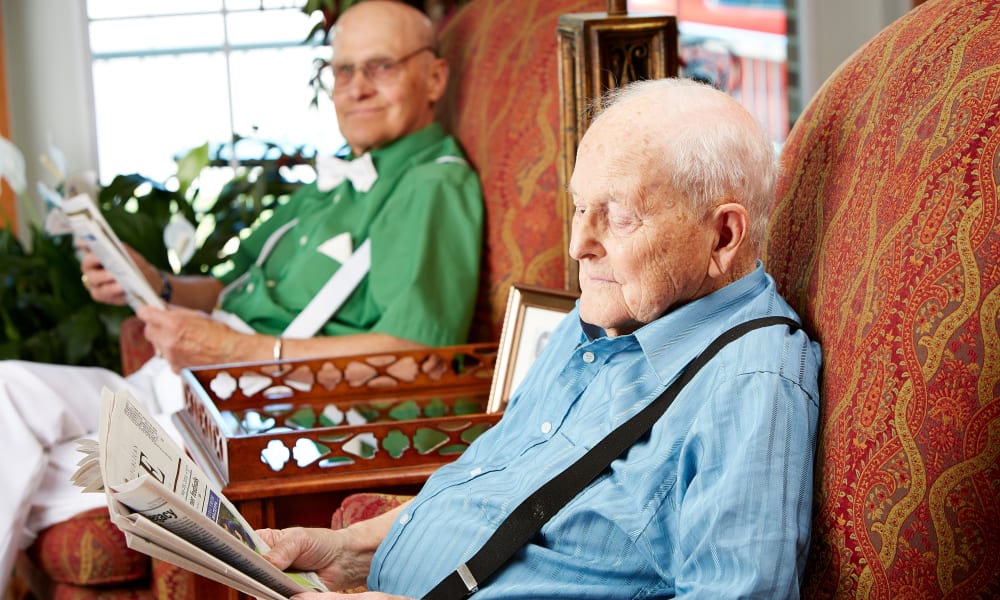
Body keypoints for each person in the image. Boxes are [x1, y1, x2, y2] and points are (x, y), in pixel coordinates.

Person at [257, 77, 823, 599]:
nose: (579, 243)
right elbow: (503, 495)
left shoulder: (751, 384)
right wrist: (348, 551)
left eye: (619, 217)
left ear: (722, 235)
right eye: (580, 206)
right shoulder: (605, 313)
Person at [0, 0, 484, 591]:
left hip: (263, 416)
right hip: (182, 387)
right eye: (341, 71)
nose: (356, 88)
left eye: (379, 67)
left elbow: (416, 356)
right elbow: (231, 288)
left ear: (434, 77)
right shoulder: (328, 187)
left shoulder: (432, 185)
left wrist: (230, 347)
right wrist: (158, 283)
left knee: (21, 447)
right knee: (9, 402)